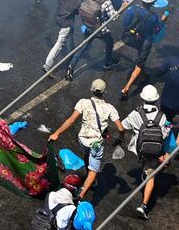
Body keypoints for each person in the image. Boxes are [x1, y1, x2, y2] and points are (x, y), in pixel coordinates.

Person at [48, 79, 125, 200]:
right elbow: (120, 128)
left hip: (83, 139)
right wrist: (121, 138)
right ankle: (81, 194)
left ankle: (88, 171)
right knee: (94, 170)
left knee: (86, 153)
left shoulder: (83, 102)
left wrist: (56, 133)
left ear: (91, 89)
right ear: (105, 92)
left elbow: (71, 120)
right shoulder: (110, 108)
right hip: (96, 143)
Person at [121, 85, 172, 220]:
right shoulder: (162, 116)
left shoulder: (135, 113)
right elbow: (165, 134)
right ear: (156, 100)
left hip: (139, 149)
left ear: (142, 98)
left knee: (146, 165)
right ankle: (143, 206)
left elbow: (123, 125)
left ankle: (146, 168)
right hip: (154, 151)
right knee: (151, 176)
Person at [66, 0, 120, 81]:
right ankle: (108, 63)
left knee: (82, 48)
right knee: (109, 42)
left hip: (89, 26)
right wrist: (123, 7)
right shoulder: (107, 2)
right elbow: (114, 17)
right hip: (100, 29)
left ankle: (70, 67)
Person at [120, 0, 168, 100]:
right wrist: (162, 21)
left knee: (140, 58)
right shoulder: (153, 17)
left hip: (129, 39)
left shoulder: (132, 9)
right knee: (139, 65)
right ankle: (126, 88)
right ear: (153, 3)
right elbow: (155, 31)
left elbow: (124, 23)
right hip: (143, 43)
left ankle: (141, 72)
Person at [37, 0, 83, 73]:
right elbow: (77, 13)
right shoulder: (78, 0)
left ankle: (48, 36)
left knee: (55, 28)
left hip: (57, 18)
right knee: (59, 45)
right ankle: (47, 65)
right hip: (66, 24)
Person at [154, 55, 179, 122]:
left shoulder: (170, 59)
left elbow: (158, 72)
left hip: (166, 102)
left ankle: (167, 127)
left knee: (166, 120)